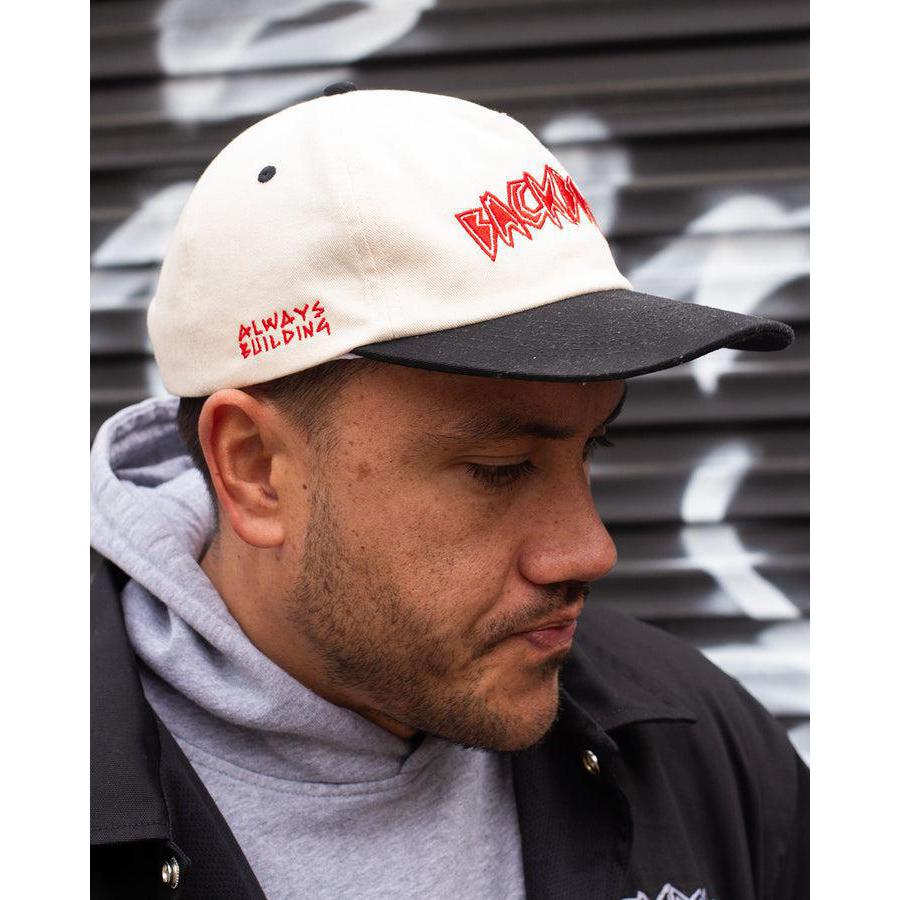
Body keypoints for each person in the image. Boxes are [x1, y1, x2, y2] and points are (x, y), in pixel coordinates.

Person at [90, 86, 808, 900]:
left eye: (592, 446)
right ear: (256, 469)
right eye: (499, 468)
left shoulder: (685, 739)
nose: (590, 549)